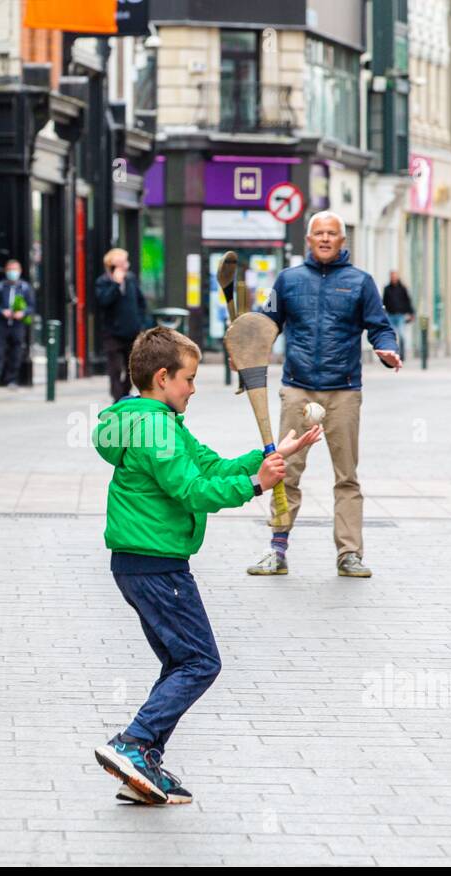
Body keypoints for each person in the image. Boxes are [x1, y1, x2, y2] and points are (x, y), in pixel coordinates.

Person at [92, 326, 321, 804]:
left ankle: (143, 764)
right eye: (189, 379)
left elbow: (210, 467)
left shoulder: (153, 421)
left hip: (141, 563)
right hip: (157, 565)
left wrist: (270, 456)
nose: (193, 389)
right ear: (162, 377)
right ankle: (134, 743)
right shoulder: (156, 428)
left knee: (181, 661)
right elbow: (193, 491)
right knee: (200, 661)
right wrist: (256, 486)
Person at [247, 211, 402, 579]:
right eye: (319, 233)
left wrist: (386, 349)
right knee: (285, 472)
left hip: (343, 391)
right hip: (297, 389)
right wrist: (248, 339)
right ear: (309, 238)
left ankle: (349, 554)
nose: (326, 239)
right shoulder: (288, 281)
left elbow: (380, 326)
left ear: (343, 241)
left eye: (333, 233)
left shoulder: (361, 283)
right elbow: (266, 323)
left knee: (346, 477)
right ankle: (277, 549)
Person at [95, 247, 149, 402]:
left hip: (132, 331)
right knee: (115, 368)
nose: (127, 264)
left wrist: (141, 323)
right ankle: (117, 399)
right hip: (112, 333)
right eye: (123, 261)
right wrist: (115, 285)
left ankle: (124, 394)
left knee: (132, 368)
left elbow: (141, 302)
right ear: (114, 264)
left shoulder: (131, 279)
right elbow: (103, 301)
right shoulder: (103, 281)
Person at [0, 258, 36, 389]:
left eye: (15, 269)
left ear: (20, 271)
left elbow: (31, 305)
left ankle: (12, 380)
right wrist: (2, 311)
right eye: (10, 269)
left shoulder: (25, 287)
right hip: (2, 323)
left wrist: (23, 313)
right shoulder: (0, 286)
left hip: (18, 325)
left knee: (16, 352)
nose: (12, 272)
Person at [382, 270, 415, 357]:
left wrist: (411, 313)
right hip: (391, 315)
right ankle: (393, 353)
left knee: (401, 335)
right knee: (391, 335)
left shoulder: (403, 288)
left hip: (400, 315)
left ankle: (402, 354)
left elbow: (408, 301)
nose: (393, 278)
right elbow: (384, 302)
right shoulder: (387, 289)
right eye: (392, 276)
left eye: (395, 276)